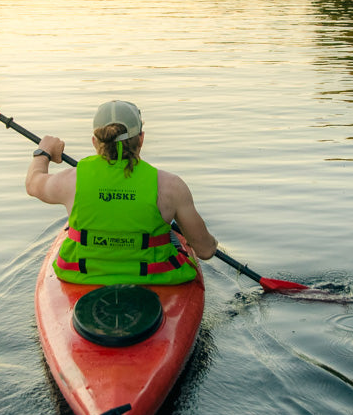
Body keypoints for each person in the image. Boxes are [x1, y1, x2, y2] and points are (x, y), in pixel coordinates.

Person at [25, 99, 218, 285]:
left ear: (94, 141)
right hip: (158, 278)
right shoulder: (171, 186)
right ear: (141, 139)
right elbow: (205, 251)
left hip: (81, 276)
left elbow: (33, 184)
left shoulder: (70, 181)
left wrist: (44, 151)